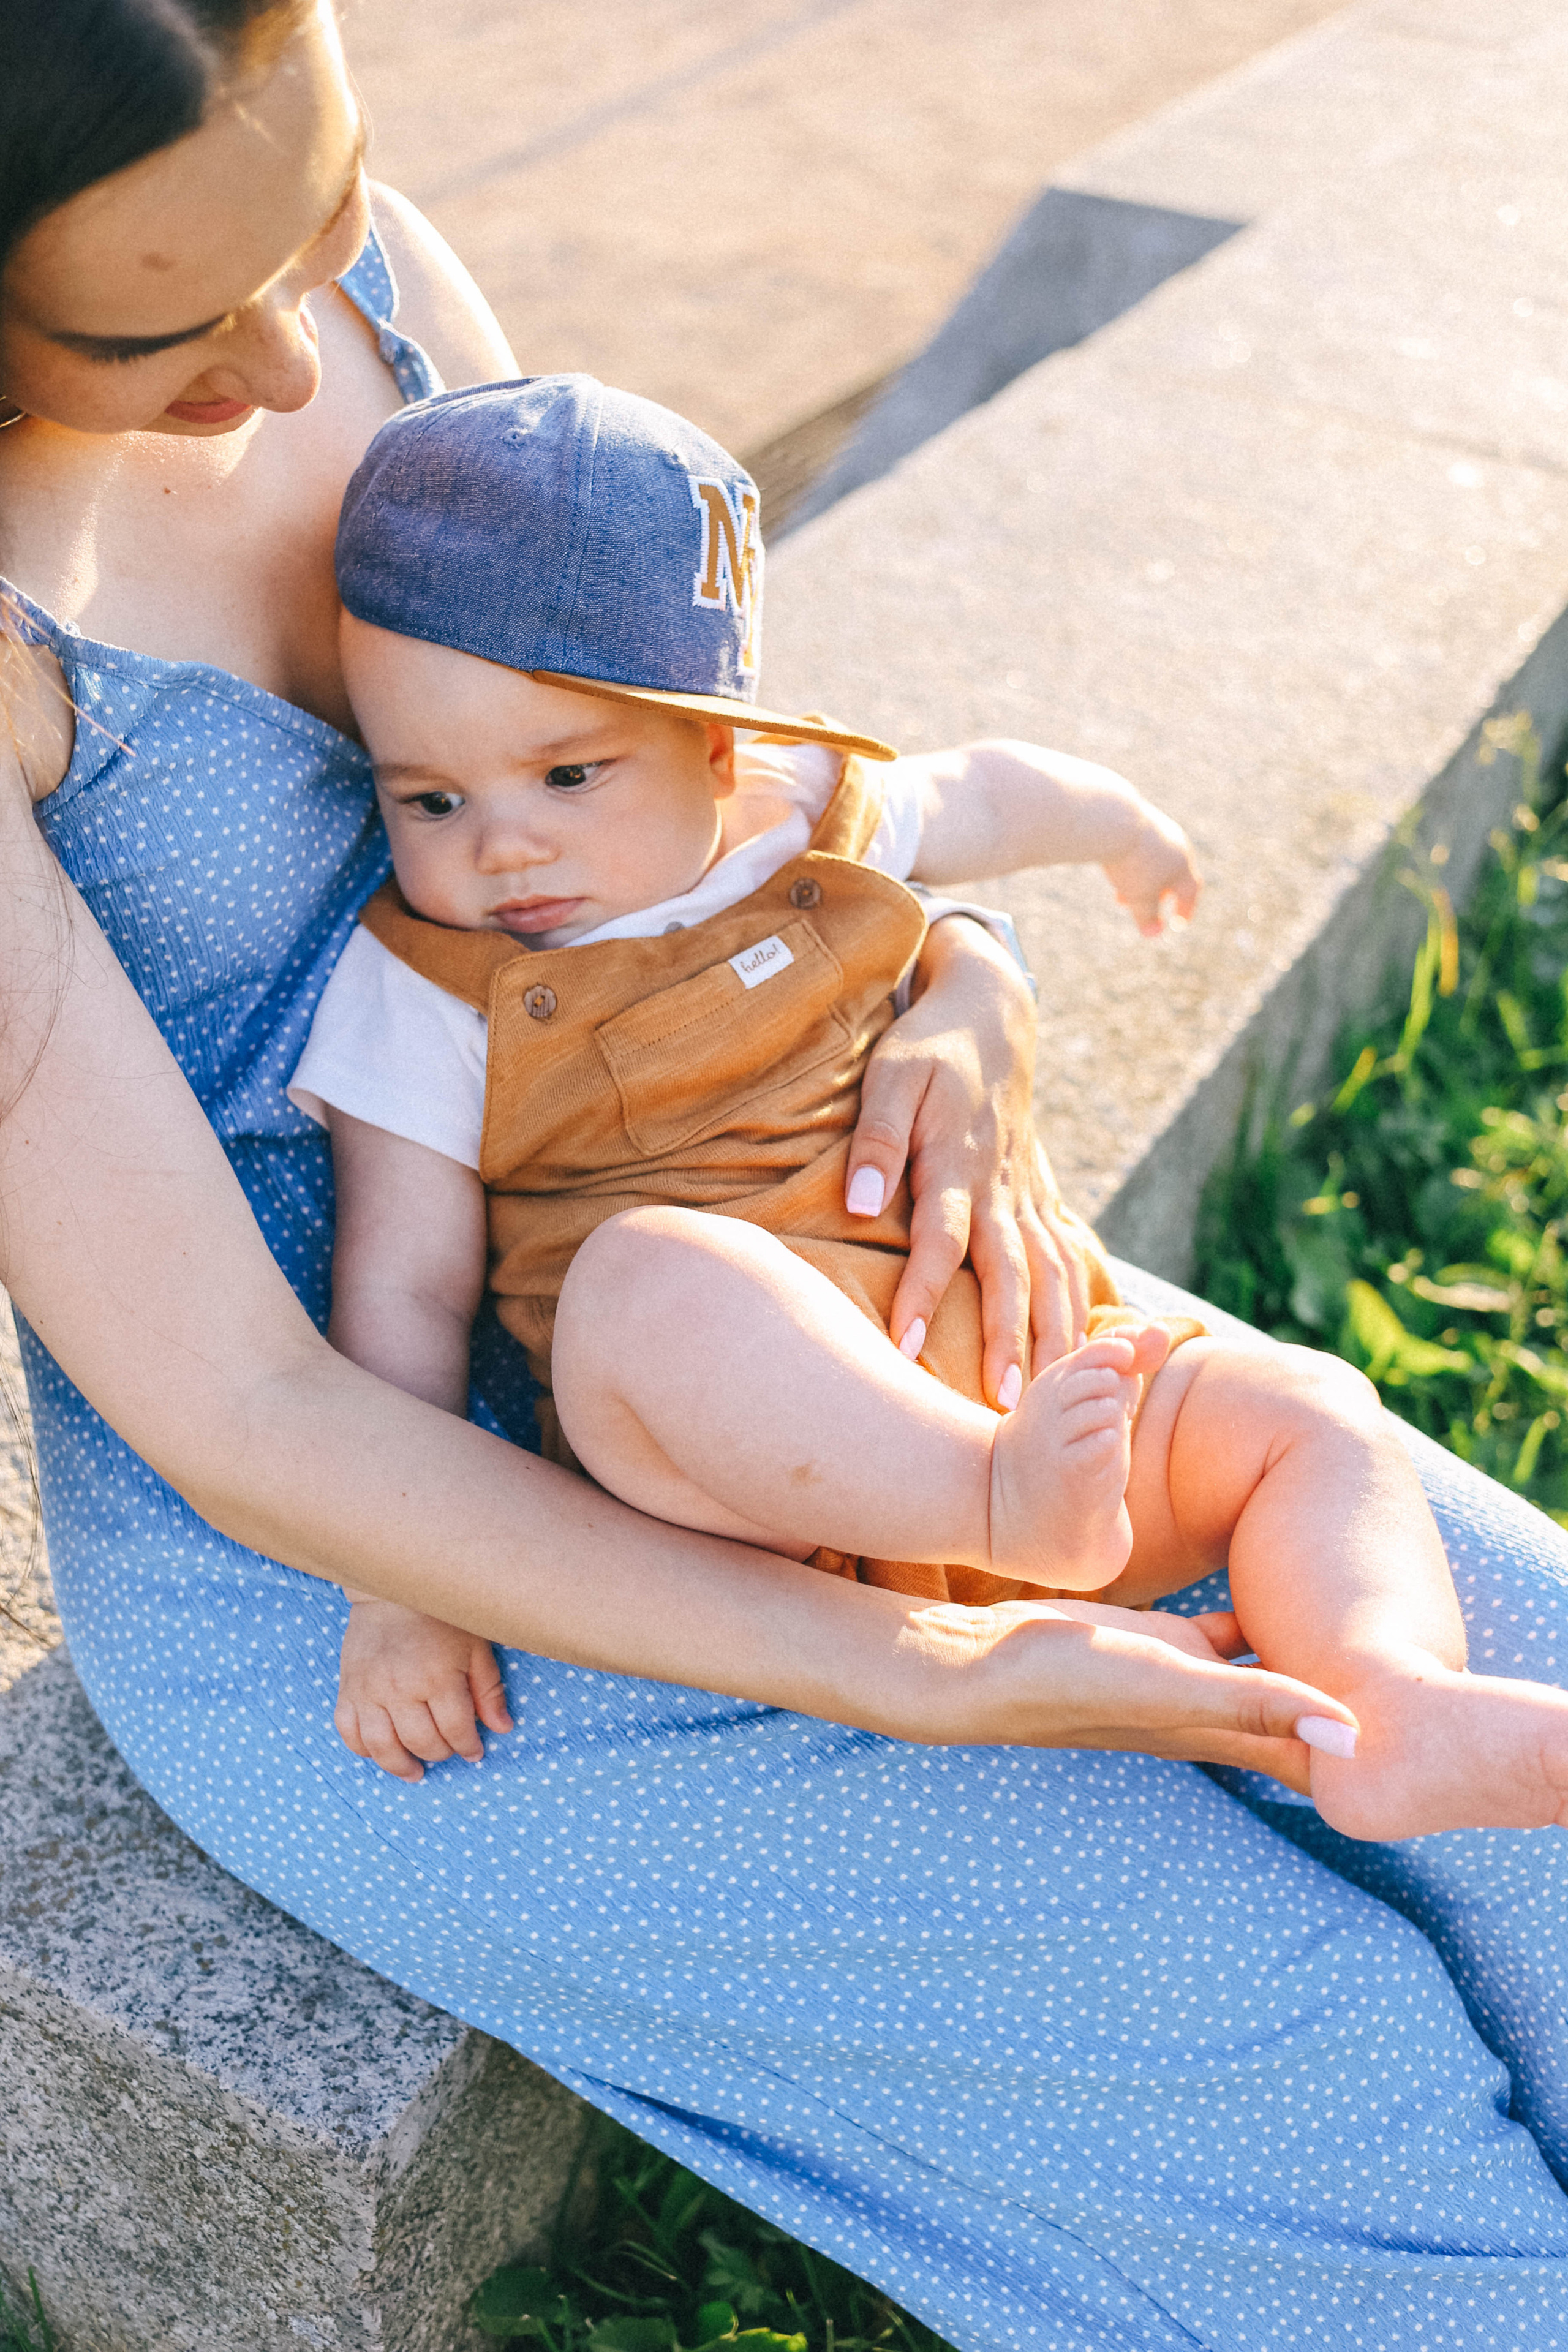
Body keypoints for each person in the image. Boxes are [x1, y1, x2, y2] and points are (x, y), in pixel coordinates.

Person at [3, 4, 1568, 2345]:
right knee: (1290, 2046)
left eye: (312, 215)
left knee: (1515, 1668)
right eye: (154, 332)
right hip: (364, 1535)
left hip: (784, 1254)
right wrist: (924, 1664)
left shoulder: (388, 292)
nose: (276, 352)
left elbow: (736, 789)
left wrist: (958, 975)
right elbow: (256, 1414)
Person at [299, 374, 1568, 1849]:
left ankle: (1381, 1704)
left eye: (567, 774)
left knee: (1302, 1408)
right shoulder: (431, 987)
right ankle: (992, 1505)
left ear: (721, 749)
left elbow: (986, 792)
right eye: (427, 801)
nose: (504, 847)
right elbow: (397, 1291)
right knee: (646, 1276)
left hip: (1025, 1392)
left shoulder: (805, 814)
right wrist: (398, 1583)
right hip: (749, 1483)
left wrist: (1122, 832)